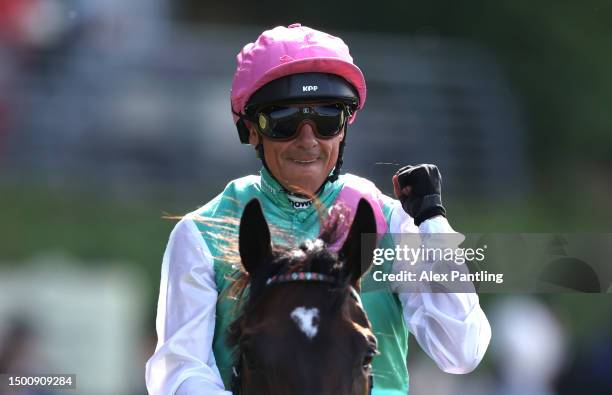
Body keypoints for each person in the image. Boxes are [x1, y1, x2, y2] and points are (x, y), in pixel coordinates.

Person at [145, 23, 491, 395]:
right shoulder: (202, 233)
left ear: (344, 128)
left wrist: (433, 225)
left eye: (327, 118)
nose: (308, 139)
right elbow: (179, 371)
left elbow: (461, 351)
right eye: (284, 122)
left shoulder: (389, 220)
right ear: (251, 130)